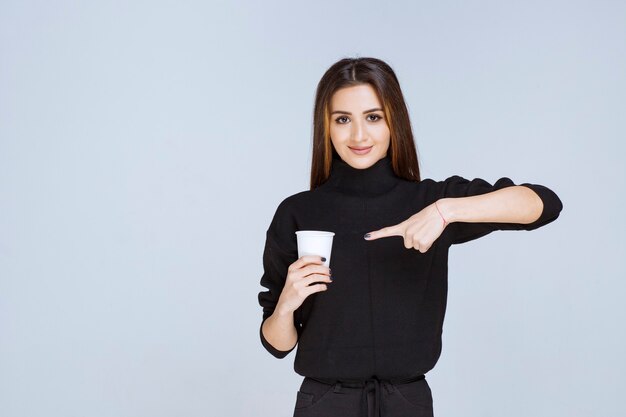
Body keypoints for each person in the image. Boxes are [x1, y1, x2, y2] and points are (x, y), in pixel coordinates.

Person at [257, 57, 563, 417]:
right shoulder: (297, 212)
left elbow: (543, 204)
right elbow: (278, 345)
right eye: (343, 119)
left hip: (407, 402)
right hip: (324, 402)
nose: (358, 135)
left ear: (394, 122)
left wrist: (445, 211)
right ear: (325, 127)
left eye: (373, 117)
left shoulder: (428, 202)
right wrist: (286, 304)